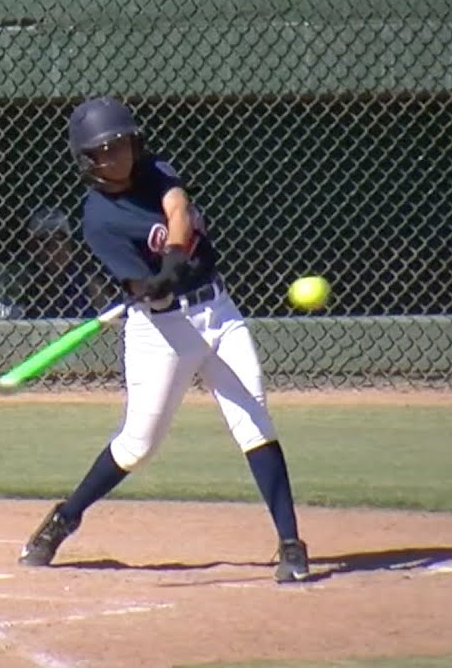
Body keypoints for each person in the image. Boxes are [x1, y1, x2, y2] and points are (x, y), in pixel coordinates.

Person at [16, 96, 311, 583]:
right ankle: (65, 517)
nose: (115, 157)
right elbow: (140, 290)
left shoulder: (153, 170)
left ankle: (290, 544)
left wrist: (173, 257)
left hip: (219, 312)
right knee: (137, 446)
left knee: (253, 419)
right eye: (102, 152)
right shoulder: (99, 220)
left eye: (120, 145)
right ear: (85, 161)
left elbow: (177, 206)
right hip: (161, 330)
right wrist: (149, 286)